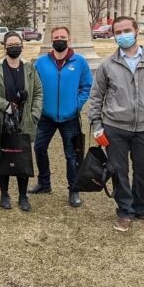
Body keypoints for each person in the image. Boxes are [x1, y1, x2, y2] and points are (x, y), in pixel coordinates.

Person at [88, 16, 144, 232]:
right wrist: (97, 126)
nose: (123, 35)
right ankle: (124, 211)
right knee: (118, 171)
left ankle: (141, 207)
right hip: (115, 127)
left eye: (127, 30)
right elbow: (96, 97)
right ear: (114, 35)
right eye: (118, 32)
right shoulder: (108, 64)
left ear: (136, 31)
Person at [29, 26, 93, 207]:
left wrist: (77, 104)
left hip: (70, 117)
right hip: (46, 116)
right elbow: (34, 86)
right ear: (51, 40)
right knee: (39, 149)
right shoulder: (41, 62)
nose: (59, 40)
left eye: (62, 37)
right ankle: (44, 183)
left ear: (69, 40)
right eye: (56, 37)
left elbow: (86, 86)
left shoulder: (79, 62)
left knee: (72, 155)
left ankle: (74, 190)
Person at [0, 32, 43, 211]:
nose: (14, 47)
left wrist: (34, 114)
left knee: (22, 157)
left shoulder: (29, 68)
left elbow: (38, 92)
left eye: (17, 43)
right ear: (4, 47)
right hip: (2, 120)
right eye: (10, 44)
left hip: (23, 121)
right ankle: (4, 194)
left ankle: (23, 195)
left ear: (22, 45)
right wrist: (5, 106)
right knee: (3, 157)